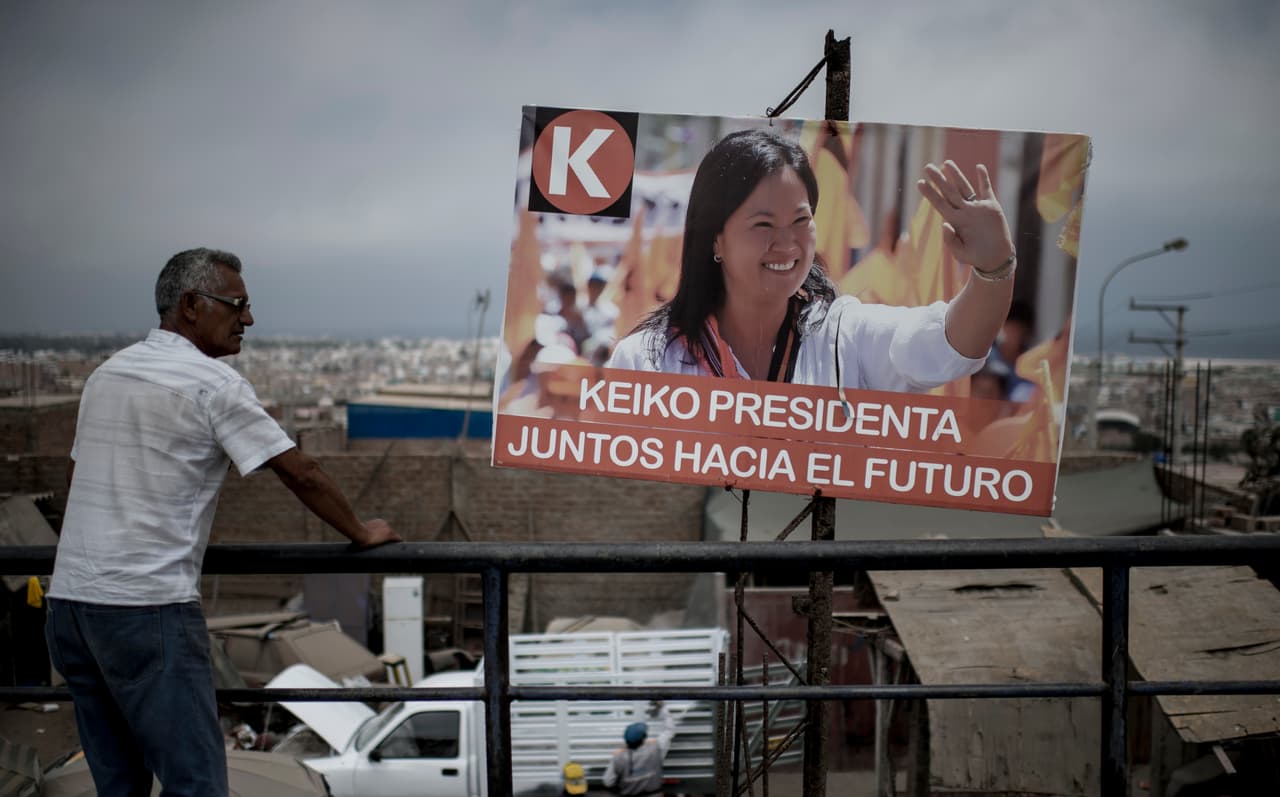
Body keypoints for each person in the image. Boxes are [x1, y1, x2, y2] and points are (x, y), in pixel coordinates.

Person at [44, 248, 402, 797]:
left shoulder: (106, 374)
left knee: (118, 784)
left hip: (71, 608)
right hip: (147, 608)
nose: (249, 319)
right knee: (197, 784)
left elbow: (78, 480)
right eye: (237, 305)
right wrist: (362, 531)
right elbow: (300, 472)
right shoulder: (212, 383)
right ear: (191, 305)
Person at [607, 128, 1016, 393]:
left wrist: (994, 268)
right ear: (716, 239)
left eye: (801, 220)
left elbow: (949, 345)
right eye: (763, 224)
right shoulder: (646, 360)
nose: (787, 244)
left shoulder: (846, 336)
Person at [602, 701, 676, 797]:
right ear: (644, 738)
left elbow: (608, 782)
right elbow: (669, 730)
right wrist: (663, 708)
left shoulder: (618, 757)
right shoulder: (656, 748)